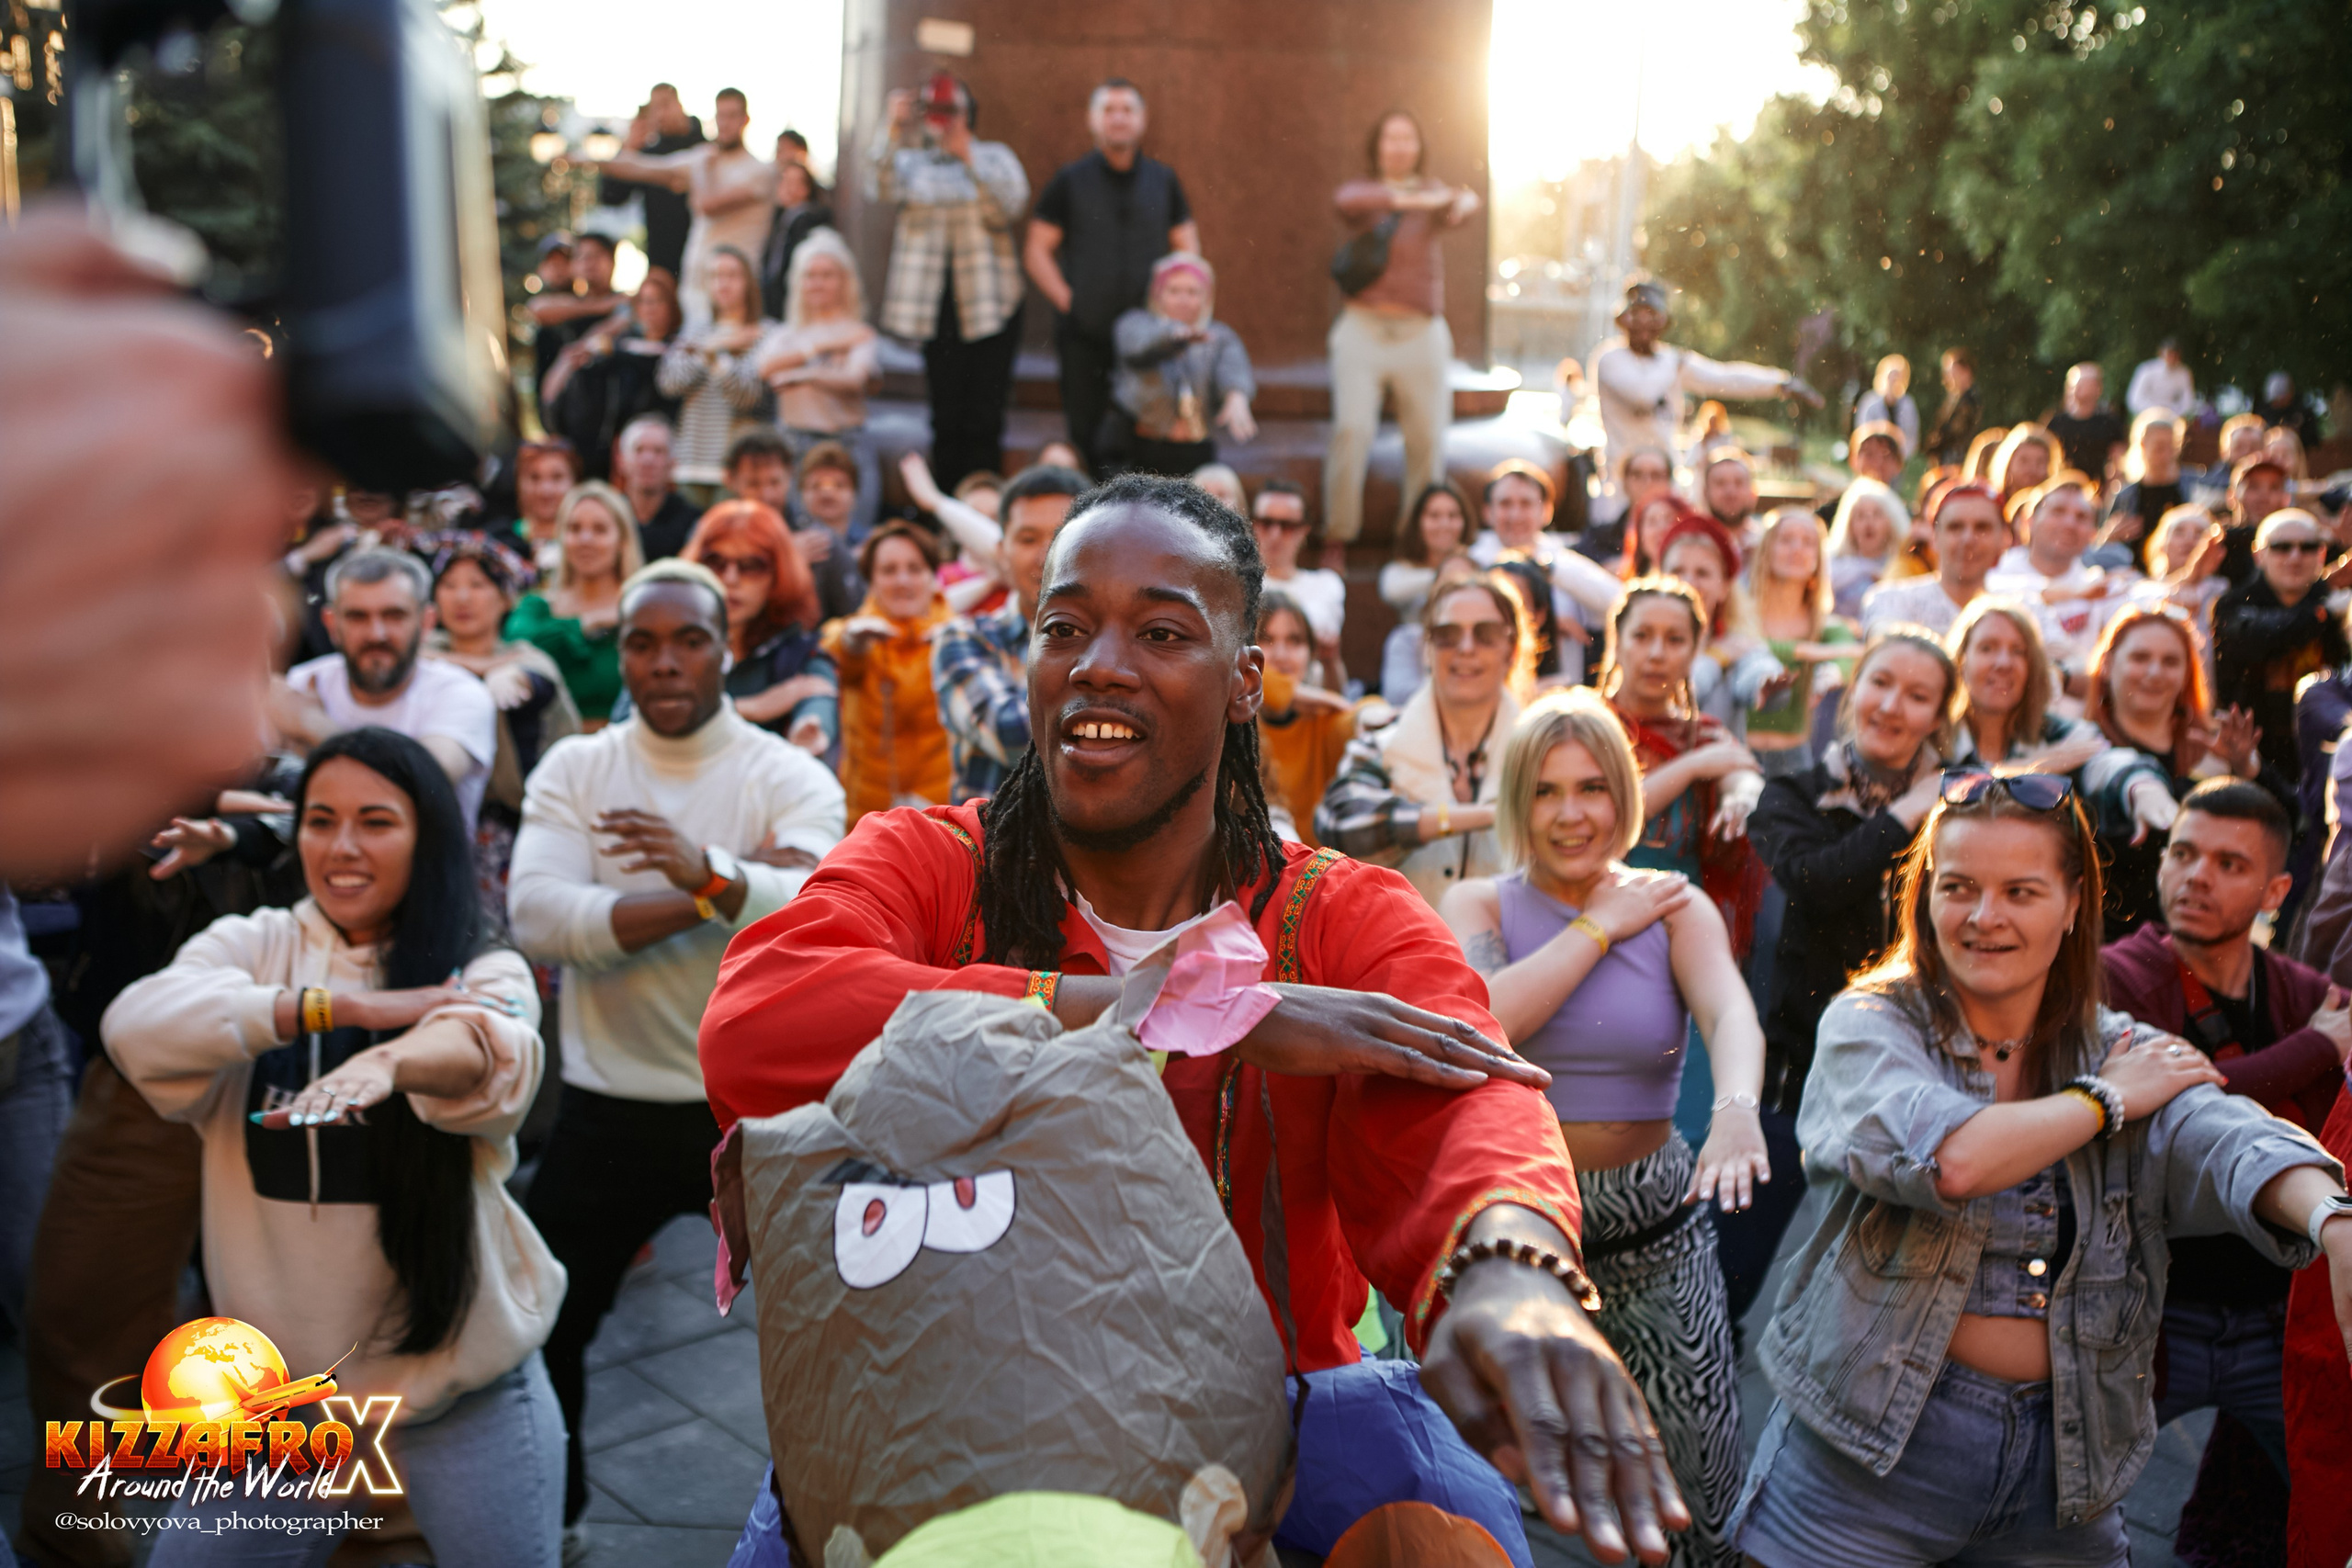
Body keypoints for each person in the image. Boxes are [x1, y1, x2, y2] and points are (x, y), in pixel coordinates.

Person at [698, 475, 1691, 1565]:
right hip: (952, 1425)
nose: (1098, 664)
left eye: (1161, 632)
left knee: (1446, 1531)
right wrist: (1181, 1009)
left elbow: (1465, 1087)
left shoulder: (1336, 912)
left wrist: (1509, 1270)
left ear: (1244, 681)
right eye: (1063, 627)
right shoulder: (930, 863)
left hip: (1279, 1419)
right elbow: (761, 1019)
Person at [1727, 769, 2352, 1567]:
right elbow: (1949, 1158)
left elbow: (2224, 1136)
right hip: (1862, 1468)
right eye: (1959, 886)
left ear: (2073, 905)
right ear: (1925, 896)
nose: (1984, 915)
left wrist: (2332, 1218)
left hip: (2063, 1475)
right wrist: (2102, 1101)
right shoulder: (1871, 1022)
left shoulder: (2112, 1041)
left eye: (2020, 891)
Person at [106, 728, 565, 1565]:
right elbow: (133, 1024)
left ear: (428, 836)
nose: (342, 846)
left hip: (458, 1390)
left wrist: (391, 1061)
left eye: (376, 821)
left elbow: (490, 1043)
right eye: (321, 820)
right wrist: (337, 1009)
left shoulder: (479, 957)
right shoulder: (257, 941)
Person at [507, 561, 845, 1546]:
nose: (665, 662)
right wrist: (716, 888)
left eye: (689, 640)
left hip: (756, 1113)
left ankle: (825, 1532)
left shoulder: (787, 774)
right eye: (642, 643)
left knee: (830, 1336)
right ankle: (548, 1520)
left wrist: (707, 872)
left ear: (725, 650)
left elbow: (817, 904)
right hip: (606, 1106)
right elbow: (541, 917)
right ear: (619, 655)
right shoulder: (576, 769)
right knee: (544, 1327)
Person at [1442, 688, 1768, 1568]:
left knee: (1698, 1496)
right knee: (1494, 1488)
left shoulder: (1672, 904)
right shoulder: (1478, 904)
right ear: (1518, 802)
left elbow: (1730, 1014)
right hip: (1516, 1236)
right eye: (1546, 791)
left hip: (1655, 1236)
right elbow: (1488, 1019)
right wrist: (1596, 926)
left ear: (1622, 795)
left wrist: (1736, 1109)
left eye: (1591, 787)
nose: (1571, 813)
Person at [2102, 780, 2350, 1565]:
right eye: (2182, 853)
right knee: (2061, 1509)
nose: (2196, 876)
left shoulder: (2298, 989)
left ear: (2277, 891)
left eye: (2229, 863)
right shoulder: (2117, 978)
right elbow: (2174, 1096)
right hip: (2150, 1318)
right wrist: (2316, 1047)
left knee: (2324, 1495)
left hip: (2269, 1320)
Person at [1731, 630, 1956, 1323]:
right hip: (1797, 1064)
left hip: (1914, 1071)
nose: (1891, 705)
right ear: (1853, 689)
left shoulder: (1963, 801)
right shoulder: (1791, 794)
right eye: (1880, 683)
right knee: (1734, 1265)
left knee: (1885, 1291)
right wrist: (1910, 809)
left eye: (1917, 695)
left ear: (1939, 715)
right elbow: (1818, 880)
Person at [1323, 108, 1481, 547]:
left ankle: (1415, 542)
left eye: (1407, 138)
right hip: (1363, 328)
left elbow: (1463, 207)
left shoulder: (1434, 192)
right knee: (1352, 429)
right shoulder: (1366, 191)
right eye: (1390, 138)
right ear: (1377, 146)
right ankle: (1338, 535)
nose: (1398, 147)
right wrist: (1422, 201)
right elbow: (1345, 201)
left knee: (1427, 438)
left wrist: (1460, 202)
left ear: (1419, 147)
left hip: (1420, 332)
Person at [1318, 575, 1526, 906]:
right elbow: (1338, 825)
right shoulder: (1380, 745)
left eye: (1486, 634)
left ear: (1512, 650)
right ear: (1427, 650)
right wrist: (1491, 815)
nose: (1466, 648)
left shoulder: (1544, 752)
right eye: (1447, 636)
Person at [1025, 79, 1199, 473]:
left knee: (1144, 442)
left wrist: (1176, 306)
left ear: (1143, 119)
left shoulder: (1163, 180)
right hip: (1084, 335)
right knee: (1086, 437)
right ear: (1092, 119)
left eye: (1127, 110)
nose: (1118, 118)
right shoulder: (1070, 180)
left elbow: (1187, 248)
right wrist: (1070, 301)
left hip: (1149, 338)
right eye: (1108, 110)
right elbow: (1036, 250)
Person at [868, 73, 1030, 491]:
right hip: (935, 309)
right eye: (932, 109)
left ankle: (985, 505)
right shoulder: (910, 161)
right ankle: (946, 509)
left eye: (949, 109)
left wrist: (968, 158)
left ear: (968, 113)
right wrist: (892, 127)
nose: (940, 119)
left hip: (991, 306)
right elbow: (877, 184)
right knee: (945, 416)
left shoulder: (994, 156)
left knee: (985, 417)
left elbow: (1009, 208)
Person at [2081, 607, 2277, 939]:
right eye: (2140, 657)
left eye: (2170, 661)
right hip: (2110, 947)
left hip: (2203, 944)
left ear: (2188, 672)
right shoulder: (2083, 749)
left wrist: (2245, 771)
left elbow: (2285, 829)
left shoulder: (2216, 749)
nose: (2155, 672)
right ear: (2109, 664)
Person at [278, 549, 499, 834]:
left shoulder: (460, 694)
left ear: (426, 622)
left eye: (394, 615)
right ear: (331, 623)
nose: (376, 634)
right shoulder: (304, 682)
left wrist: (313, 724)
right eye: (357, 617)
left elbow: (422, 783)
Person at [424, 535, 582, 932]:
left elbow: (532, 682)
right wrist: (483, 669)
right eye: (449, 585)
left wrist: (508, 674)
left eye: (477, 585)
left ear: (506, 598)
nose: (462, 598)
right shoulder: (415, 655)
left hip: (507, 831)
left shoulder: (526, 660)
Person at [1597, 581, 1765, 931]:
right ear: (1617, 641)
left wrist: (1741, 798)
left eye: (1675, 640)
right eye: (1641, 636)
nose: (1657, 653)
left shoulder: (1703, 735)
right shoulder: (1583, 725)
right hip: (1594, 909)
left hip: (1681, 920)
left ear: (1693, 652)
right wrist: (1691, 767)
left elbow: (1742, 773)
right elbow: (1610, 816)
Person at [1589, 280, 1814, 524]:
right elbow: (1643, 395)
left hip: (1665, 479)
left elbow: (1724, 377)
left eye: (1651, 315)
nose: (1644, 324)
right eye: (1637, 315)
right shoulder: (1611, 359)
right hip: (1620, 483)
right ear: (1624, 319)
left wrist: (1779, 383)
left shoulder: (1672, 361)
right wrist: (1673, 363)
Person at [932, 464, 1088, 804]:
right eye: (1028, 539)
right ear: (1001, 552)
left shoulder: (1121, 641)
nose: (1047, 555)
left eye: (1063, 536)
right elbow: (1013, 737)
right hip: (995, 835)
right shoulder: (964, 638)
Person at [594, 88, 773, 321]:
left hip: (732, 292)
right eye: (721, 115)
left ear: (745, 119)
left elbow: (706, 205)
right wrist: (588, 159)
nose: (725, 123)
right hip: (691, 283)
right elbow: (643, 168)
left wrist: (703, 169)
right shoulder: (702, 157)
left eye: (732, 116)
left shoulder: (755, 170)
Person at [680, 499, 836, 756]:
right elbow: (630, 721)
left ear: (779, 574)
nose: (730, 579)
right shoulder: (672, 643)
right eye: (716, 562)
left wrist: (810, 727)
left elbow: (818, 699)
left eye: (751, 566)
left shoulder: (797, 653)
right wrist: (752, 708)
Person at [823, 522, 956, 822]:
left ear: (933, 576)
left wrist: (956, 648)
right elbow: (833, 649)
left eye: (915, 568)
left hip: (943, 815)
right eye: (889, 570)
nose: (902, 581)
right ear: (871, 580)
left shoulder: (959, 634)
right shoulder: (857, 634)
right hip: (866, 815)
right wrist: (853, 641)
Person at [757, 229, 883, 538]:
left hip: (847, 448)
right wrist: (819, 348)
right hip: (795, 449)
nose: (818, 283)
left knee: (854, 539)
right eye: (810, 275)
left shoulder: (859, 332)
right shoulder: (784, 335)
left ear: (844, 281)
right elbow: (764, 369)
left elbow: (854, 380)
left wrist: (805, 374)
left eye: (827, 275)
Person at [2213, 509, 2351, 787]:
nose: (2295, 557)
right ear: (2258, 555)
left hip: (2327, 757)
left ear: (2322, 554)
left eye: (2307, 547)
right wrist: (2320, 615)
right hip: (2253, 759)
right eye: (2281, 547)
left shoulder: (2339, 606)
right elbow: (2257, 639)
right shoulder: (2234, 602)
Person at [1470, 460, 1624, 687]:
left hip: (1561, 692)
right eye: (1505, 504)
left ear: (1546, 511)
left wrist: (1545, 568)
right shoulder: (1471, 562)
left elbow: (1619, 602)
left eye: (1526, 504)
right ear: (1487, 512)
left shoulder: (1564, 561)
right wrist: (1544, 624)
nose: (1515, 515)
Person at [1986, 474, 2132, 711]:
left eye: (2081, 517)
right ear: (2028, 521)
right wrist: (2075, 594)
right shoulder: (1995, 574)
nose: (2069, 524)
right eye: (2058, 512)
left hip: (2078, 721)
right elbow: (1992, 592)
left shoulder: (2101, 586)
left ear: (2093, 533)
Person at [505, 481, 645, 727]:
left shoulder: (644, 606)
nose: (585, 539)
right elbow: (515, 648)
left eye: (600, 529)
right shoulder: (537, 607)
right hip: (551, 746)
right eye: (574, 528)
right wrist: (589, 621)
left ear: (622, 540)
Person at [1106, 251, 1257, 474]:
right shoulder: (1135, 324)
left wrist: (1236, 396)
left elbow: (1233, 368)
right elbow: (1138, 346)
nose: (1183, 299)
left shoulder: (1219, 337)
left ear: (1206, 297)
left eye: (1192, 292)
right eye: (1174, 291)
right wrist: (1174, 337)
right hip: (1141, 447)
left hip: (1196, 448)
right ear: (1158, 295)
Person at [541, 274, 684, 484]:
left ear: (671, 306)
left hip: (662, 447)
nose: (650, 308)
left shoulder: (682, 352)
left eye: (657, 300)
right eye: (644, 301)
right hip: (618, 452)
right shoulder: (614, 351)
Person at [1745, 511, 1858, 776]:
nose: (1797, 549)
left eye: (1808, 542)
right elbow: (1748, 647)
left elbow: (1848, 655)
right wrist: (1810, 652)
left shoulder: (1825, 626)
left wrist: (1831, 674)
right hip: (1739, 752)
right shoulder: (1741, 614)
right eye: (1786, 539)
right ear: (1766, 549)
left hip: (1794, 759)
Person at [1256, 592, 1372, 847]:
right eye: (1266, 639)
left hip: (1318, 866)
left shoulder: (1322, 721)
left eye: (1295, 640)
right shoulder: (1231, 723)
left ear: (1311, 653)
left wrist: (1367, 714)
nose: (1281, 655)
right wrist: (1296, 694)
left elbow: (1364, 714)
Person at [655, 245, 770, 494]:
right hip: (690, 464)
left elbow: (747, 396)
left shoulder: (764, 333)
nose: (723, 283)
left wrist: (714, 359)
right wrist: (715, 347)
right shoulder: (694, 329)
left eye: (732, 275)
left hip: (738, 469)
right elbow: (669, 383)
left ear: (748, 281)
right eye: (716, 275)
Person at [1862, 480, 2009, 639]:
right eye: (1955, 527)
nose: (1968, 539)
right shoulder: (1892, 600)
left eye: (1982, 527)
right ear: (1934, 537)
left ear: (2004, 538)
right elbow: (1884, 637)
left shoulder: (2018, 606)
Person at [1382, 481, 1476, 702]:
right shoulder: (1401, 572)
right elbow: (1391, 590)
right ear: (1418, 522)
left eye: (1453, 515)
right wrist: (1447, 574)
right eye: (1434, 516)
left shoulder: (1478, 559)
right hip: (1418, 662)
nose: (1444, 524)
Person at [598, 84, 703, 278]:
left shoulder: (706, 149)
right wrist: (629, 147)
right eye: (654, 109)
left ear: (680, 105)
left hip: (702, 257)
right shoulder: (647, 154)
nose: (661, 115)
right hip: (661, 262)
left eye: (665, 105)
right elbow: (611, 196)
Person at [1252, 481, 1348, 682]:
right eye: (1266, 523)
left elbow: (1329, 664)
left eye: (1286, 526)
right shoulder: (1235, 585)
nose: (1275, 534)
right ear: (1253, 525)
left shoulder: (1327, 585)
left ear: (1304, 531)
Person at [526, 231, 623, 404]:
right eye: (581, 256)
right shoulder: (567, 308)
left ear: (612, 260)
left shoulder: (625, 305)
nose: (588, 263)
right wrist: (601, 305)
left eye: (595, 255)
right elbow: (536, 309)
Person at [2100, 407, 2190, 562]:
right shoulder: (2124, 497)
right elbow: (2099, 550)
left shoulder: (2191, 489)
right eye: (2159, 448)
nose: (2166, 455)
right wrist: (2109, 539)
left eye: (2172, 447)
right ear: (2142, 445)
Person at [795, 438, 870, 622]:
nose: (827, 493)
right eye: (816, 486)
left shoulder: (874, 544)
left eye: (839, 485)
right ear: (801, 494)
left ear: (855, 493)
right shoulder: (789, 542)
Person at [612, 413, 701, 562]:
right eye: (639, 450)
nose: (648, 460)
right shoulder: (606, 515)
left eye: (658, 451)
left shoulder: (693, 523)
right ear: (621, 460)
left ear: (673, 462)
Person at [756, 158, 832, 322]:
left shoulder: (807, 220)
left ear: (806, 188)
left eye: (793, 183)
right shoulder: (783, 217)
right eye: (784, 181)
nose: (787, 188)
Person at [1826, 475, 1904, 620]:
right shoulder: (1832, 561)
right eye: (1860, 516)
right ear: (1849, 524)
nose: (1869, 523)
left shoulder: (1903, 563)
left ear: (1890, 522)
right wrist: (1865, 569)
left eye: (1877, 515)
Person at [509, 436, 582, 581]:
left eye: (557, 477)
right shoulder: (505, 540)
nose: (545, 490)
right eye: (534, 478)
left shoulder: (588, 540)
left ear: (575, 483)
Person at [2042, 361, 2128, 482]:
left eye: (2084, 384)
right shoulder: (2056, 422)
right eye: (2075, 385)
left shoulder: (2110, 423)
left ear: (2098, 388)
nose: (2077, 389)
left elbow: (2118, 459)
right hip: (2063, 486)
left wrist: (2112, 485)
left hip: (2101, 486)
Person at [1854, 353, 1920, 461]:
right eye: (1891, 376)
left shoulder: (1908, 405)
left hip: (1896, 460)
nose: (1894, 380)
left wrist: (1898, 456)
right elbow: (1861, 432)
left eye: (1898, 377)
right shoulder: (1870, 402)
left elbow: (1912, 436)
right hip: (1871, 458)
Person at [1924, 347, 1982, 468]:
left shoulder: (1971, 401)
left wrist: (1937, 445)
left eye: (1953, 372)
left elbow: (1958, 434)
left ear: (1966, 372)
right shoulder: (1953, 399)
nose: (1948, 378)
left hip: (1961, 462)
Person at [722, 426, 794, 513]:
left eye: (774, 482)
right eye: (753, 484)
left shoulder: (805, 521)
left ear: (789, 475)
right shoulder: (713, 521)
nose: (766, 495)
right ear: (730, 480)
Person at [1989, 423, 2058, 511]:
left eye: (2040, 462)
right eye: (2024, 461)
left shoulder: (2058, 509)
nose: (2032, 469)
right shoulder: (1991, 505)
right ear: (2008, 463)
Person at [1700, 449, 1760, 546]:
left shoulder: (1767, 544)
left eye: (1739, 483)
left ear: (1753, 492)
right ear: (1705, 493)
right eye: (1720, 483)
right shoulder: (1690, 545)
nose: (1731, 492)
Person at [2126, 340, 2196, 419]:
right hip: (2147, 416)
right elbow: (2134, 399)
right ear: (2161, 353)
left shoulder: (2184, 373)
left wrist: (2174, 413)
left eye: (2175, 355)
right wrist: (2154, 411)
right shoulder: (2146, 370)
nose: (2172, 358)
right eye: (2169, 354)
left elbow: (2188, 401)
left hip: (2172, 418)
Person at [2261, 369, 2323, 445]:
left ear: (2290, 394)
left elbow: (2313, 441)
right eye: (2275, 400)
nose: (2276, 403)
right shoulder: (2266, 415)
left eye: (2279, 399)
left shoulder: (2303, 413)